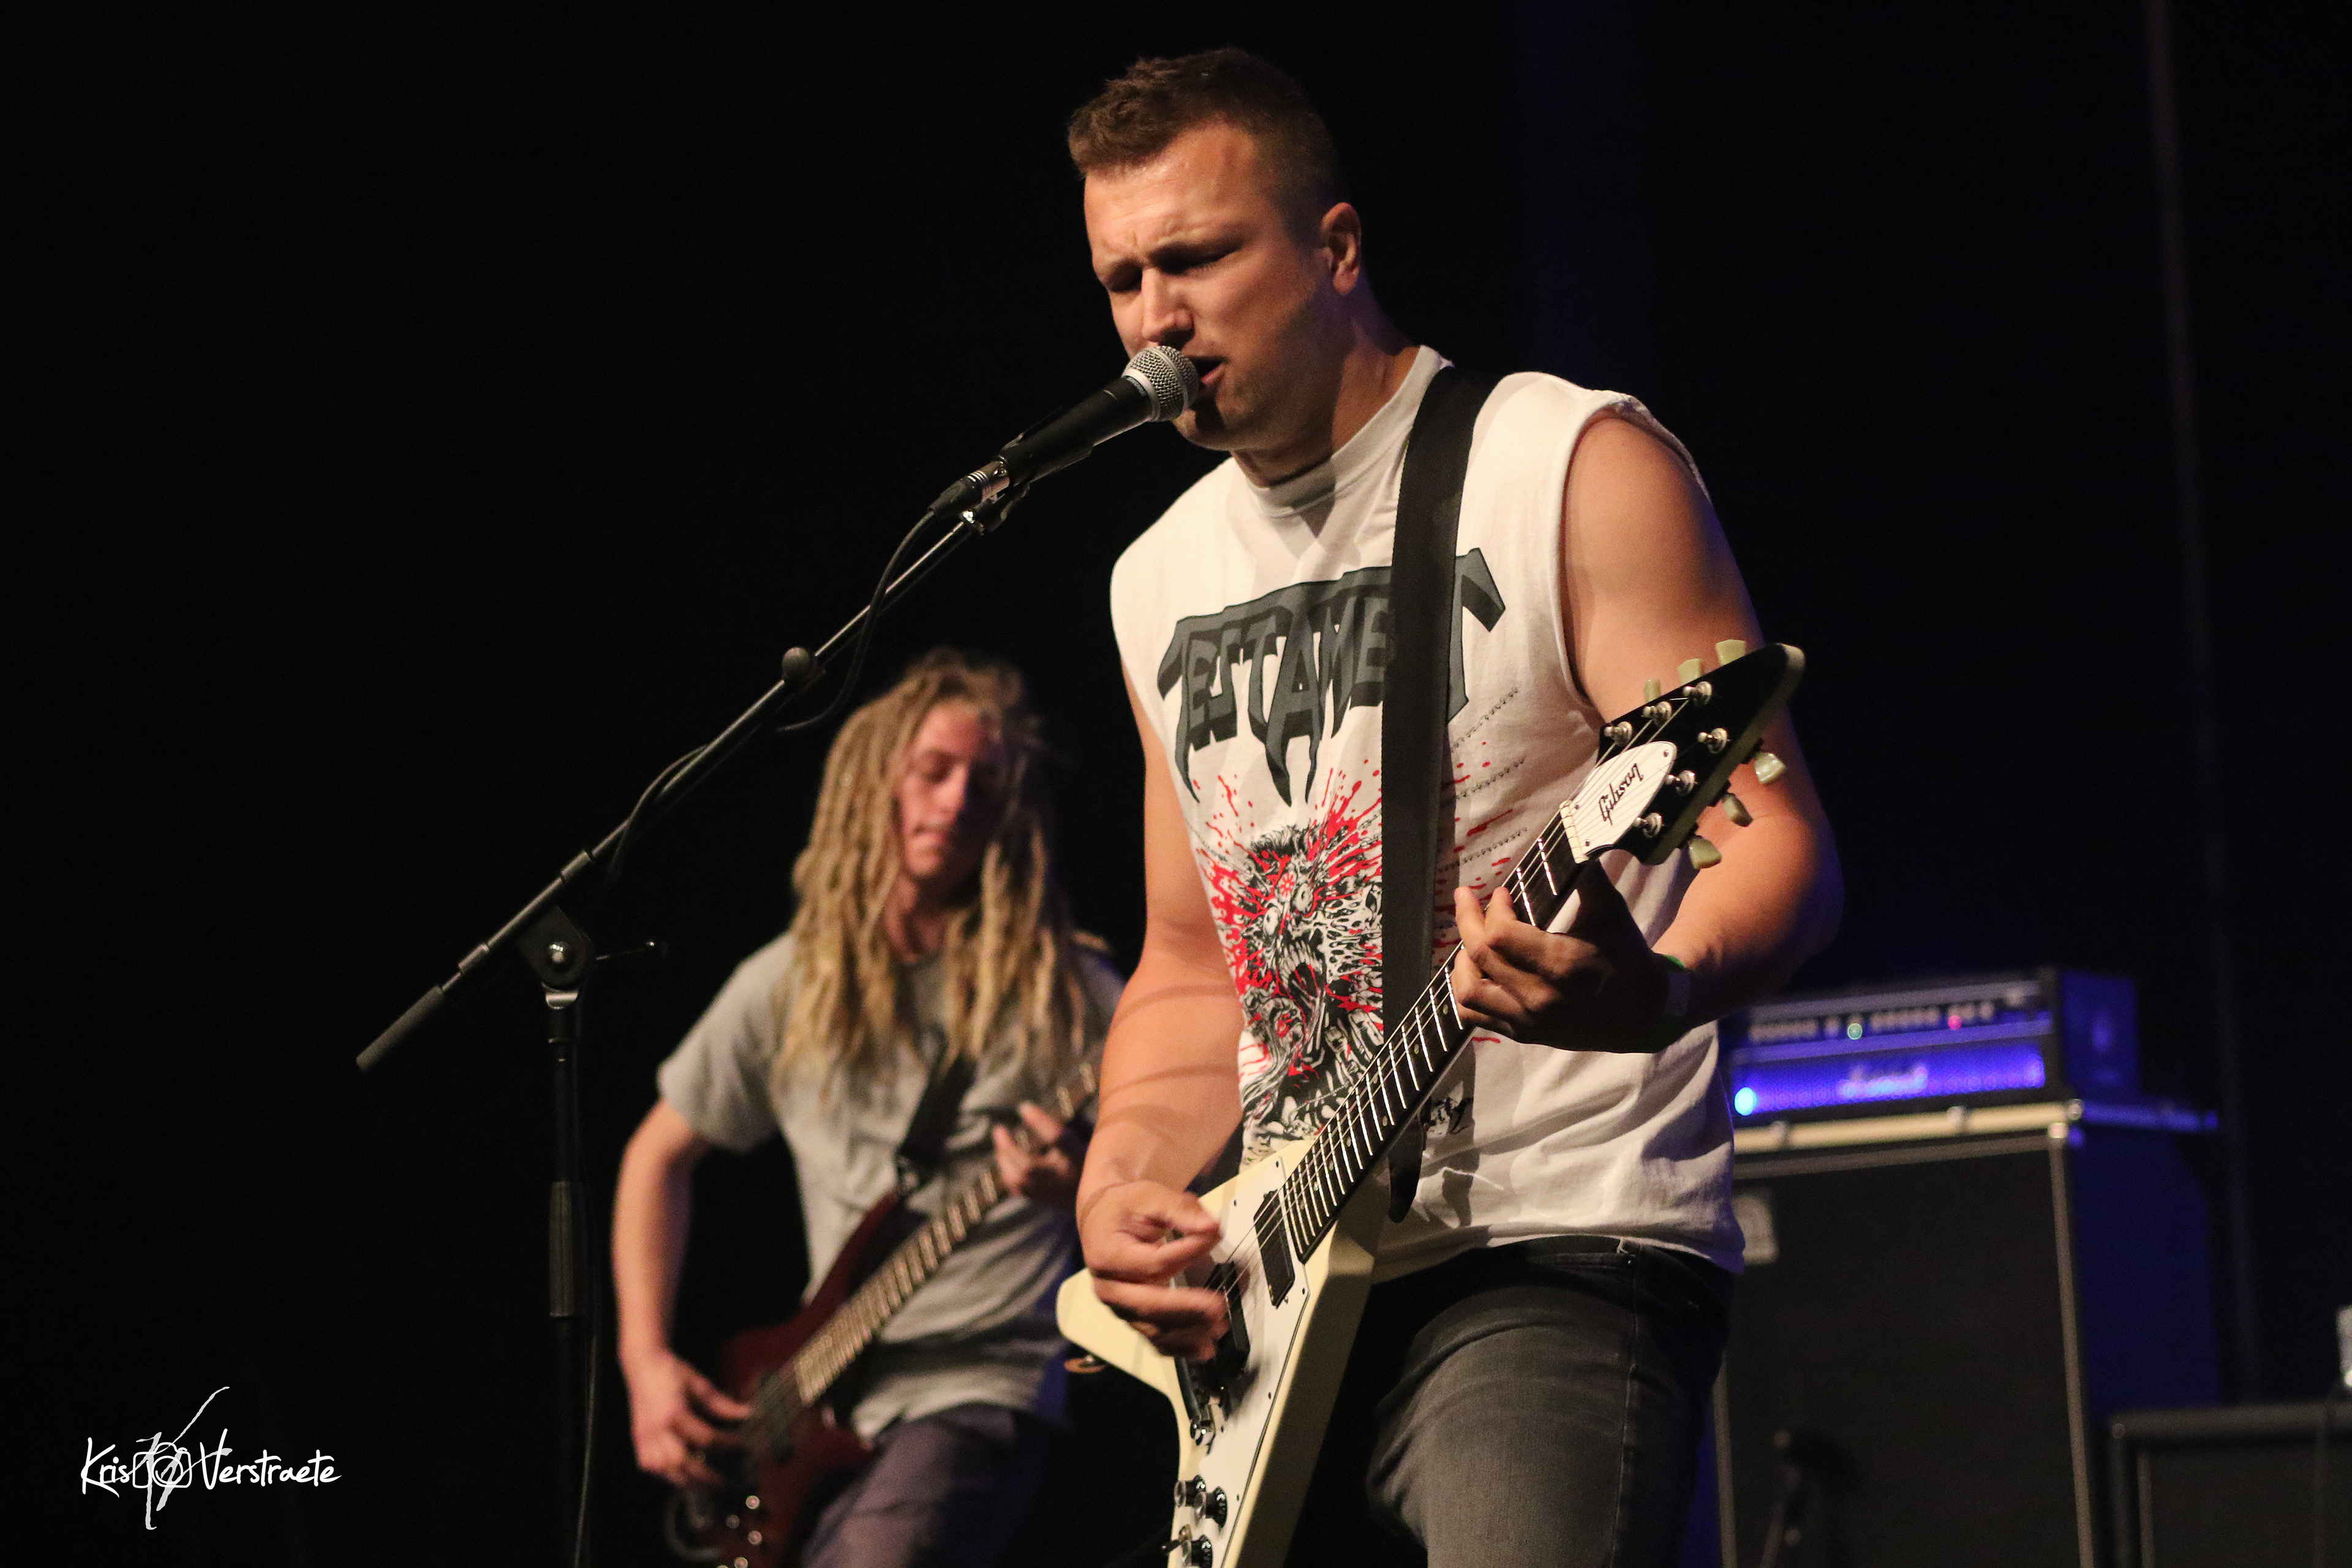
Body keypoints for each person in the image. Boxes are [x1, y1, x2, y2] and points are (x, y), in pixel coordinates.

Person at [1066, 50, 1843, 1568]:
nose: (1159, 314)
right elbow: (1191, 970)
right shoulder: (1154, 576)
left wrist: (1653, 989)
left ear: (1337, 248)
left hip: (1550, 1242)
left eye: (1199, 257)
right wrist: (1123, 1175)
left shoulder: (1564, 461)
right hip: (1282, 1287)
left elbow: (1785, 850)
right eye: (1123, 278)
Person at [610, 649, 1124, 1568]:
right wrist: (645, 1363)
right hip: (821, 1397)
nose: (957, 800)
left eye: (985, 784)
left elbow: (1190, 1162)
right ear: (874, 783)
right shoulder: (787, 986)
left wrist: (1085, 1189)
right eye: (934, 771)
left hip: (978, 1385)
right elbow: (656, 1157)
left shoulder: (1069, 994)